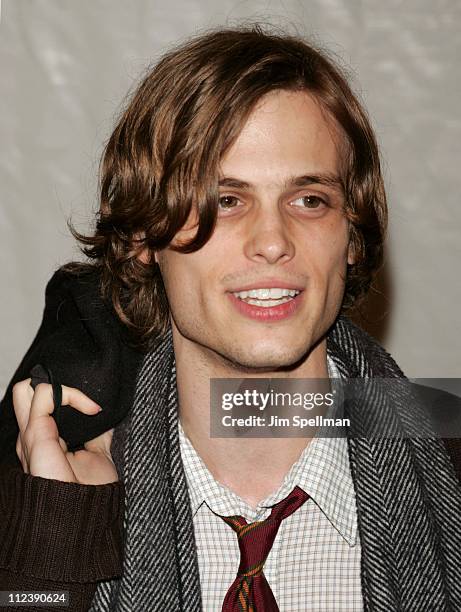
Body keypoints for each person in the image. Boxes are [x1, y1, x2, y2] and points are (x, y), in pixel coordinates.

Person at [1, 25, 460, 612]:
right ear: (145, 235)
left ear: (351, 234)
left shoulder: (450, 467)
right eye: (225, 200)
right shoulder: (46, 507)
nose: (272, 242)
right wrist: (54, 555)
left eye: (309, 199)